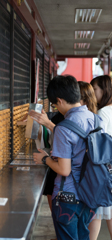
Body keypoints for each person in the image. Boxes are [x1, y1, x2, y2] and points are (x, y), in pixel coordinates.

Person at [31, 75, 98, 240]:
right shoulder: (95, 119)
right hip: (91, 193)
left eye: (54, 104)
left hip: (68, 197)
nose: (55, 107)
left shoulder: (63, 128)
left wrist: (45, 159)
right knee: (83, 236)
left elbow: (64, 170)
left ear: (60, 100)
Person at [89, 75, 112, 240]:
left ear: (105, 90)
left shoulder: (103, 112)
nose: (92, 93)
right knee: (108, 213)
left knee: (96, 212)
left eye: (94, 89)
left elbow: (98, 142)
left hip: (104, 168)